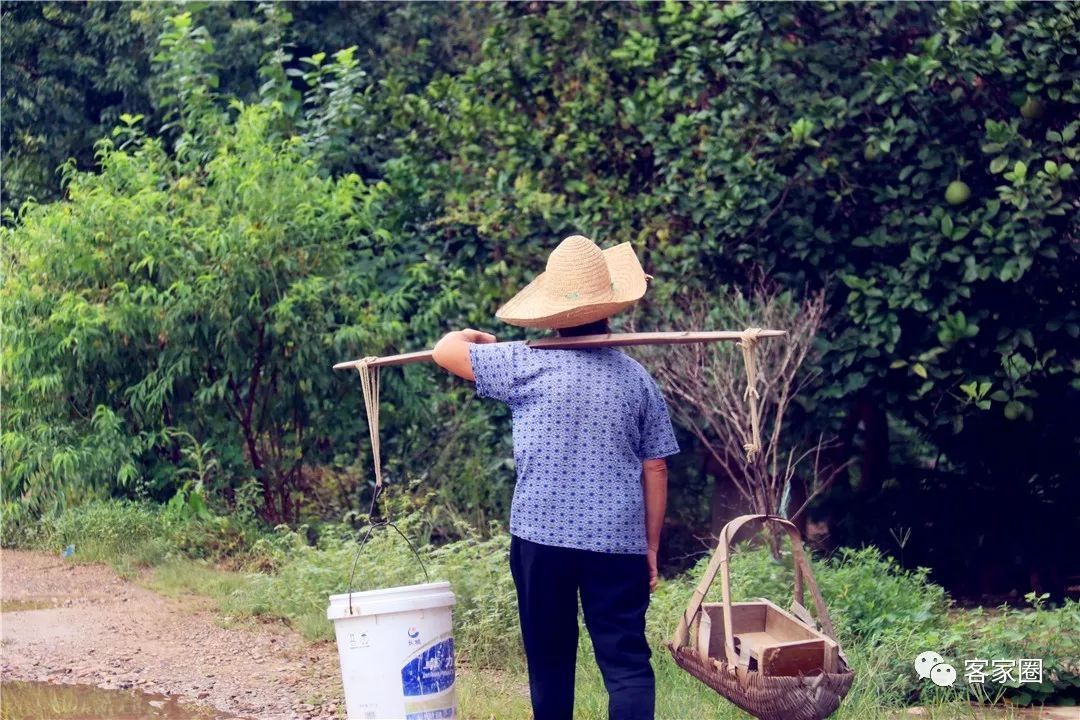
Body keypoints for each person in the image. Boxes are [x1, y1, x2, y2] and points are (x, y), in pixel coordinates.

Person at [431, 235, 679, 720]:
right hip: (618, 543)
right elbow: (657, 467)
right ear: (609, 310)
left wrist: (478, 338)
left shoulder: (525, 363)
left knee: (549, 661)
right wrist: (650, 548)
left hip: (541, 540)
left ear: (551, 315)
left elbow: (445, 350)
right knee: (627, 663)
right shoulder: (637, 380)